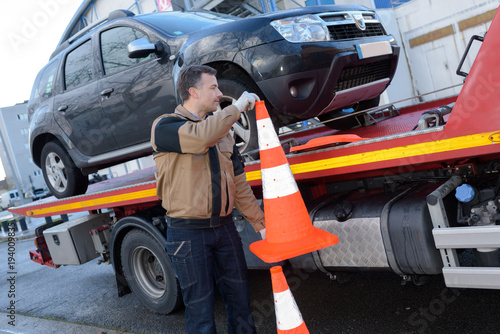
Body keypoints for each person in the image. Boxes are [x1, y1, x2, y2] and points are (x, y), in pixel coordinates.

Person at [151, 64, 266, 334]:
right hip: (188, 235)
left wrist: (260, 224)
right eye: (213, 87)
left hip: (225, 229)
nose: (219, 93)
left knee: (241, 303)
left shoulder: (224, 132)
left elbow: (238, 181)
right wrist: (236, 107)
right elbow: (200, 138)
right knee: (201, 312)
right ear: (193, 92)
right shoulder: (166, 126)